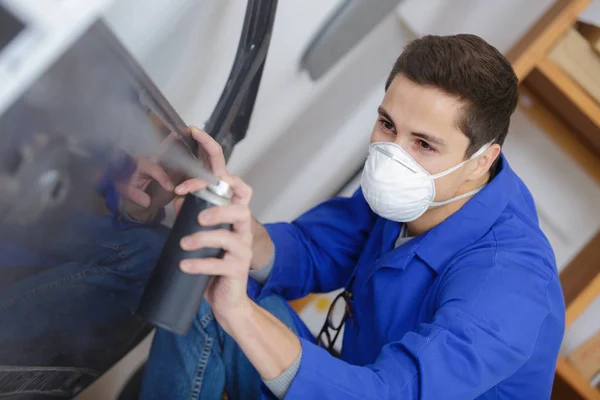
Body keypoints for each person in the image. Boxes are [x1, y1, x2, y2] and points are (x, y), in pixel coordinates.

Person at [140, 34, 566, 400]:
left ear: (481, 161)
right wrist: (224, 216)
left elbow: (390, 395)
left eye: (424, 144)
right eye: (387, 124)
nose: (393, 156)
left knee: (233, 306)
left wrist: (241, 315)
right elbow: (308, 251)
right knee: (209, 275)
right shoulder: (412, 196)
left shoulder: (509, 284)